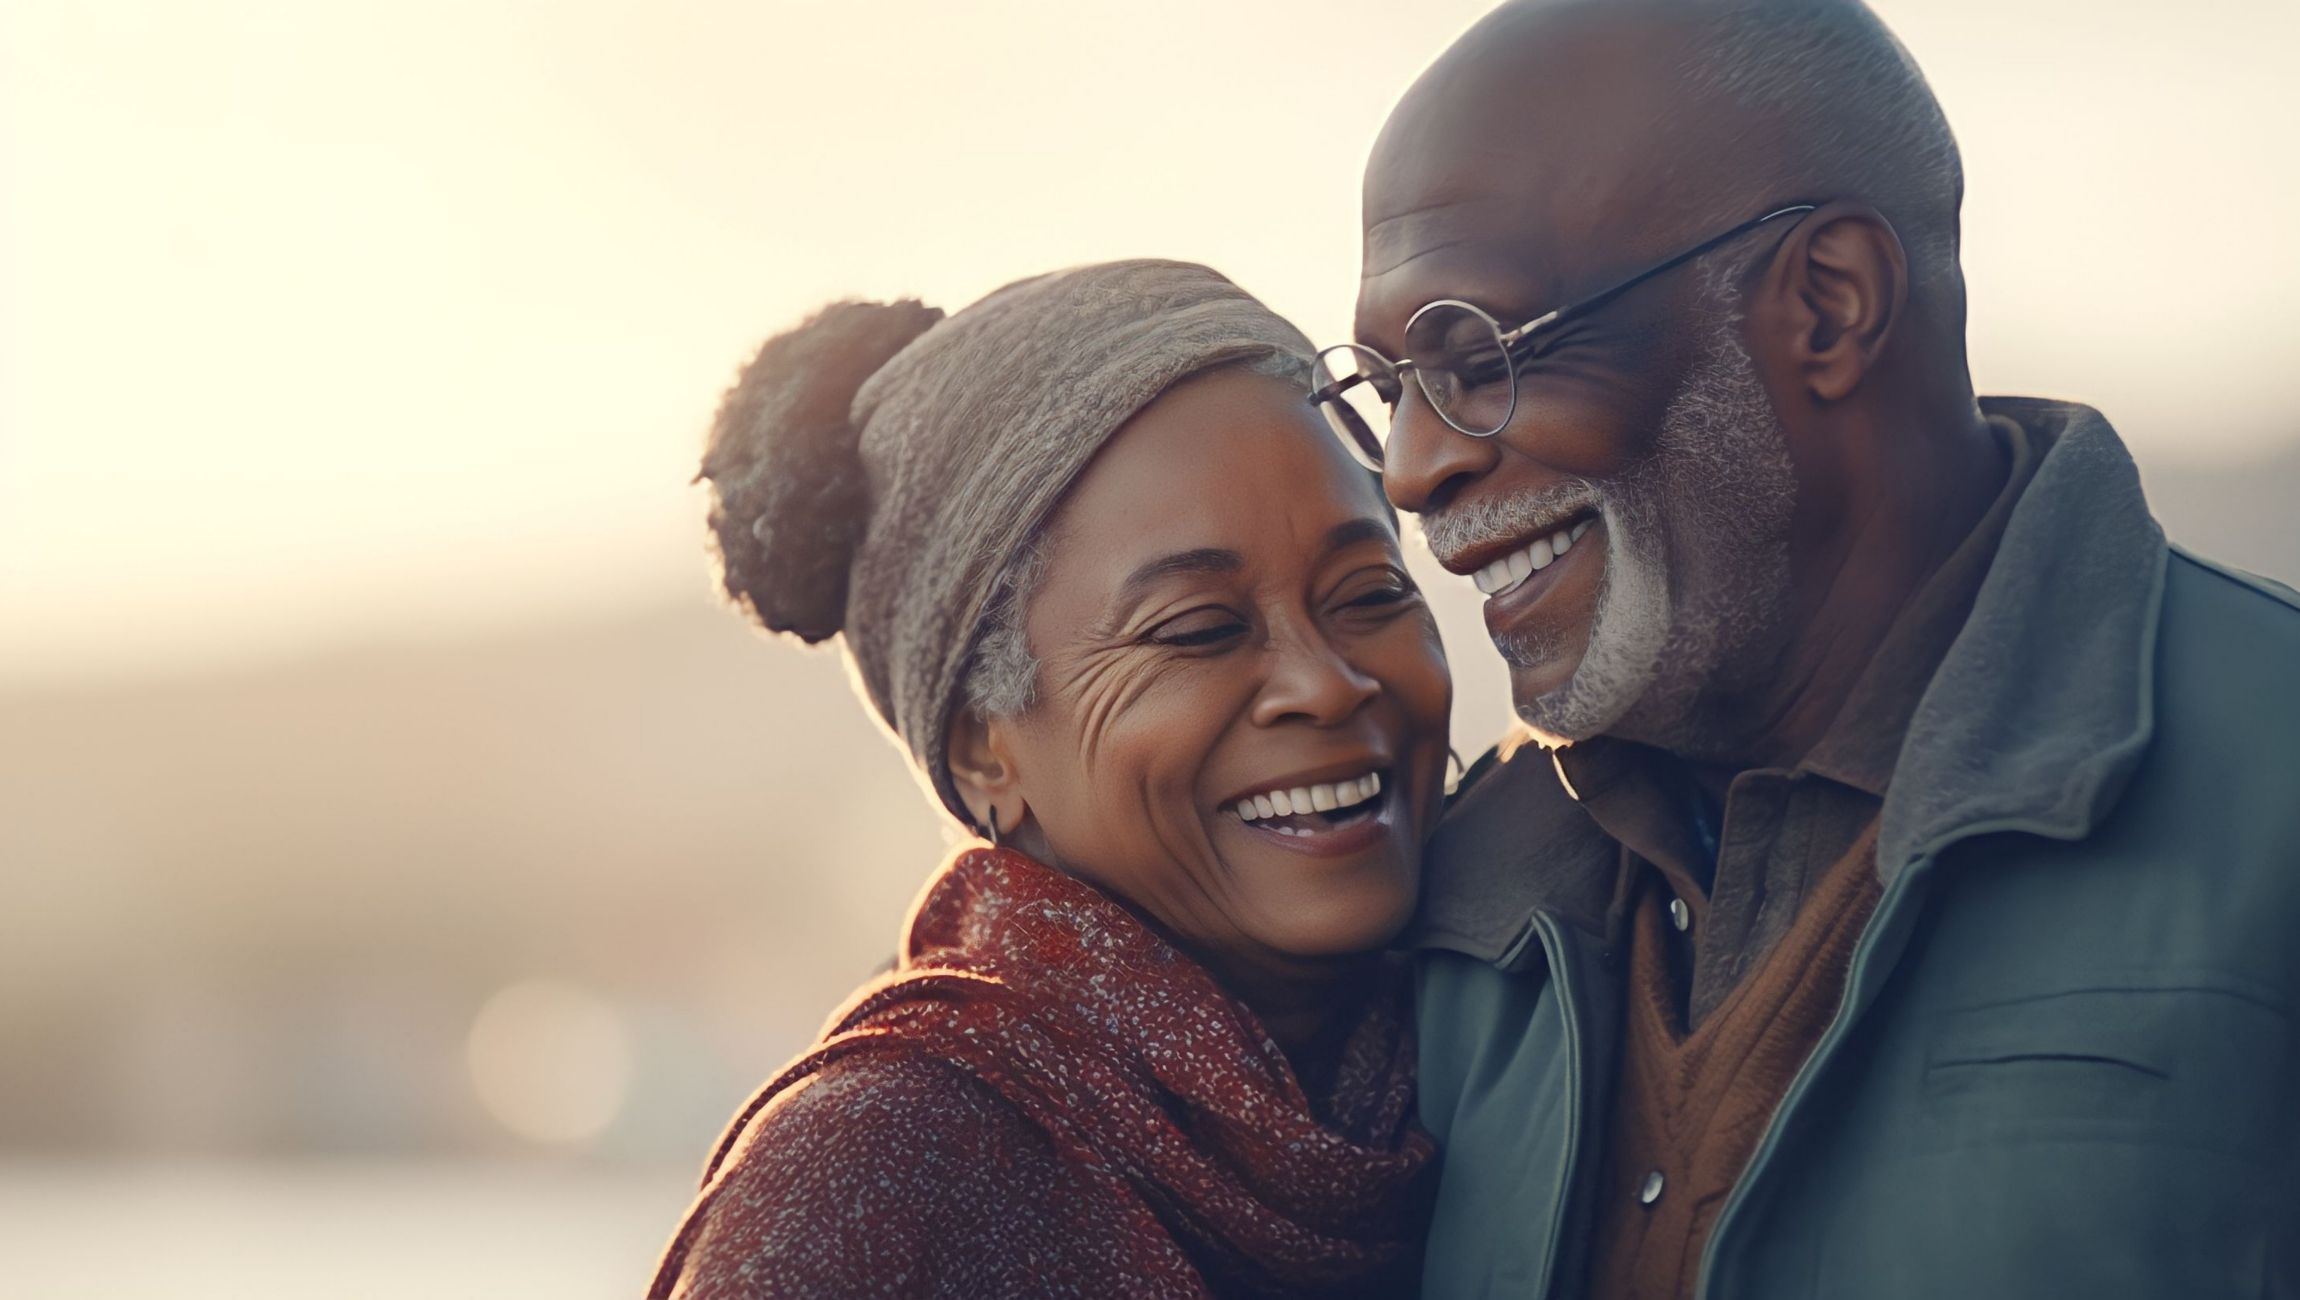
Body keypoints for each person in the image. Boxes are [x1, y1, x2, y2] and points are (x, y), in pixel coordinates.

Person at [1311, 0, 2300, 1296]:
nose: (1411, 469)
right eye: (1388, 391)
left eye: (1475, 355)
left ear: (1828, 307)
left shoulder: (2270, 785)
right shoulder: (1457, 891)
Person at [648, 260, 1452, 1299]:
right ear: (985, 746)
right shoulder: (867, 1178)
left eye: (1368, 591)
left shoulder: (1542, 1026)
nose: (1323, 682)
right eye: (1199, 629)